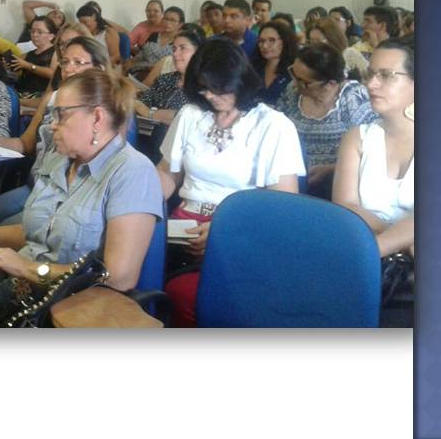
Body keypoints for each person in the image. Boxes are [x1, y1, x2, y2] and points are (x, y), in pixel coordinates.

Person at [0, 69, 163, 327]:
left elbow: (118, 277)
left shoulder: (132, 172)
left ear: (97, 118)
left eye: (61, 114)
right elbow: (37, 233)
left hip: (70, 309)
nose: (52, 124)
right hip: (20, 292)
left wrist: (26, 268)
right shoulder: (60, 159)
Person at [157, 38, 305, 327]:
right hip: (183, 226)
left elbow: (283, 207)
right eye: (203, 88)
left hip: (242, 228)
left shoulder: (273, 125)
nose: (210, 96)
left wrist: (224, 228)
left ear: (239, 80)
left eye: (218, 88)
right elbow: (167, 174)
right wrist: (138, 201)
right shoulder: (191, 115)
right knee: (138, 265)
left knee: (188, 294)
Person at [0, 36, 113, 225]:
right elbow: (26, 143)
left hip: (66, 196)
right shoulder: (52, 98)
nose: (68, 68)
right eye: (65, 62)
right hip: (36, 185)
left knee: (4, 228)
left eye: (78, 63)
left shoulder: (104, 112)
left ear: (98, 69)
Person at [333, 39, 414, 258]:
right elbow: (346, 206)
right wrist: (400, 241)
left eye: (386, 75)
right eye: (370, 74)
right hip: (367, 252)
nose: (371, 84)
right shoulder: (357, 138)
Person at [276, 43, 377, 198]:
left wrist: (332, 169)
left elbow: (374, 152)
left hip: (340, 185)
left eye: (304, 82)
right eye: (294, 74)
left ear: (331, 84)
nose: (295, 84)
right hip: (295, 180)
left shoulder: (354, 98)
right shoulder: (292, 92)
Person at [133, 28, 205, 163]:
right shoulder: (165, 79)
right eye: (174, 49)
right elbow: (142, 102)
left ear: (198, 52)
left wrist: (149, 113)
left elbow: (181, 117)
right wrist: (144, 108)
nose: (175, 54)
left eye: (182, 48)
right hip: (146, 136)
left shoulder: (204, 86)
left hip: (179, 148)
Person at [7, 15, 58, 102]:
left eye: (40, 32)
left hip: (39, 96)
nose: (34, 35)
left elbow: (53, 74)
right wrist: (9, 66)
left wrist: (28, 66)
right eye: (32, 31)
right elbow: (17, 74)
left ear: (51, 36)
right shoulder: (27, 54)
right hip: (20, 91)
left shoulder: (56, 52)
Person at [249, 20, 297, 106]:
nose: (265, 46)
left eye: (271, 40)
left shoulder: (295, 70)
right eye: (261, 41)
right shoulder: (253, 67)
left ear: (285, 41)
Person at [129, 6, 185, 78]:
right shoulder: (154, 35)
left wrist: (155, 69)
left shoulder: (181, 42)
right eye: (166, 19)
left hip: (163, 78)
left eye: (172, 20)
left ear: (180, 24)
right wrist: (130, 62)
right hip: (140, 71)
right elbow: (142, 54)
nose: (168, 22)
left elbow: (178, 66)